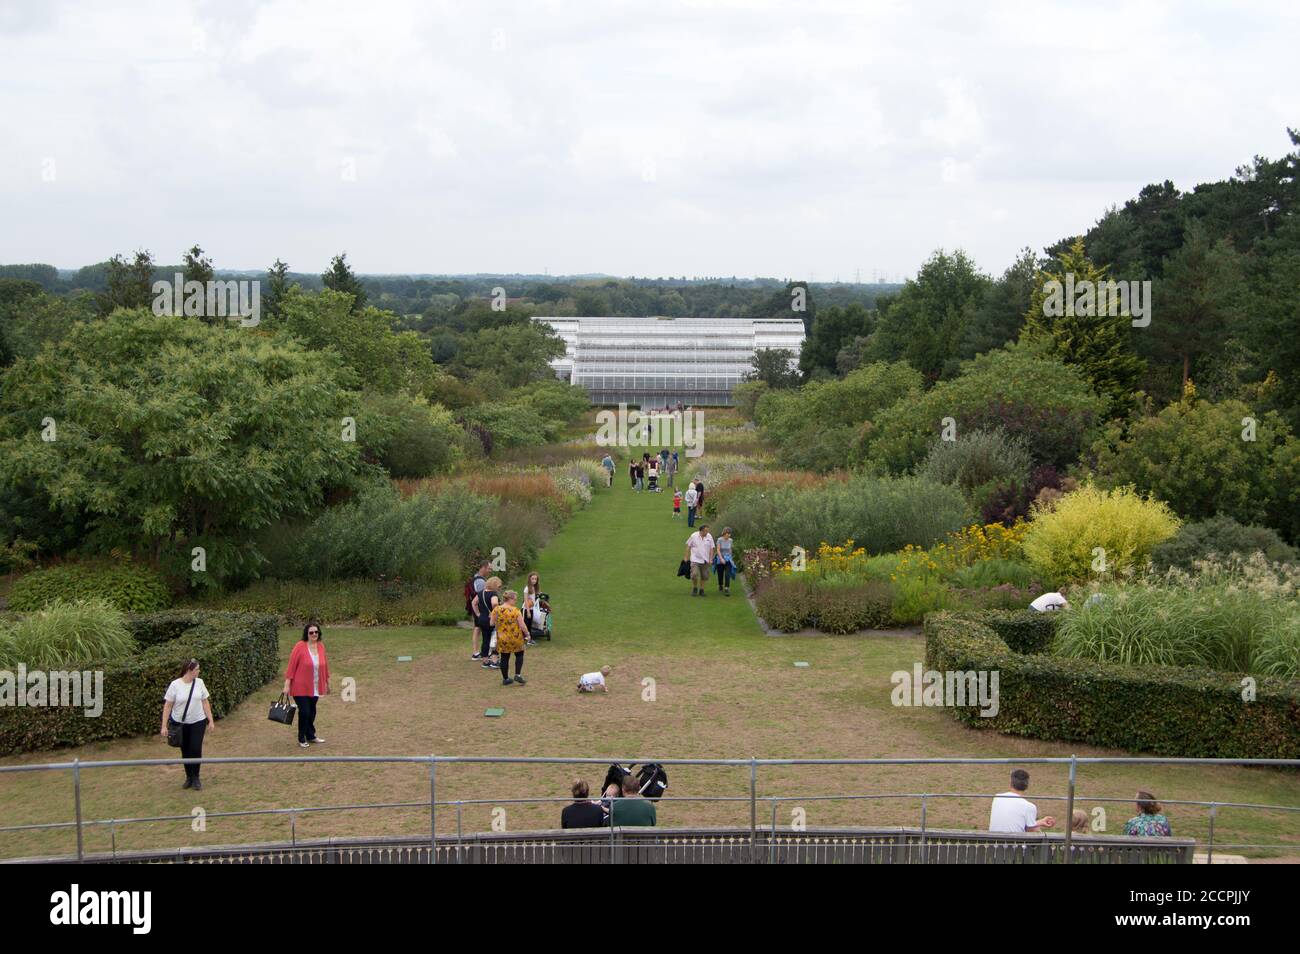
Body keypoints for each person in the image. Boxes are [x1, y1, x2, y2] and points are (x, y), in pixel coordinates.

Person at [161, 659, 214, 791]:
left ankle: (196, 777)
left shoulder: (200, 682)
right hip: (180, 724)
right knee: (185, 750)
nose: (199, 671)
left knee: (195, 749)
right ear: (189, 671)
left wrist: (210, 720)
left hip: (198, 722)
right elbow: (167, 706)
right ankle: (188, 777)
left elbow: (205, 702)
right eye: (197, 669)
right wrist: (164, 726)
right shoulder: (175, 685)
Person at [284, 622, 330, 749]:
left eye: (316, 632)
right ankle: (301, 737)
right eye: (311, 632)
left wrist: (326, 682)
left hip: (315, 686)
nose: (314, 634)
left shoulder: (321, 646)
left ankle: (311, 735)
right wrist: (287, 685)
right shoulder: (300, 646)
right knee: (304, 711)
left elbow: (325, 665)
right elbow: (291, 666)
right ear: (307, 634)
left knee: (312, 712)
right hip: (300, 686)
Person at [988, 769, 1056, 832]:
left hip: (994, 843)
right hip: (1016, 843)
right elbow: (1030, 829)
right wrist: (1040, 826)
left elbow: (1020, 825)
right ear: (1027, 786)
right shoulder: (1029, 806)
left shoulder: (997, 797)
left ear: (1010, 782)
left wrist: (1041, 822)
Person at [493, 589, 529, 686]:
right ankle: (517, 674)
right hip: (516, 637)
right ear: (510, 599)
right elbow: (522, 625)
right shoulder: (516, 611)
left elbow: (491, 622)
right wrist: (528, 634)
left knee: (504, 657)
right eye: (515, 599)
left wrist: (499, 627)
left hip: (502, 637)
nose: (515, 601)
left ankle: (505, 679)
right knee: (519, 654)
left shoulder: (497, 609)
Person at [473, 577, 503, 668]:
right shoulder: (493, 594)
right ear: (495, 585)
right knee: (495, 639)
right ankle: (494, 660)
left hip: (482, 619)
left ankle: (485, 661)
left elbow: (474, 603)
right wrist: (496, 611)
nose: (499, 588)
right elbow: (494, 603)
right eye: (498, 586)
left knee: (485, 639)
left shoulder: (480, 592)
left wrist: (478, 613)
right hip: (492, 620)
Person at [468, 560, 491, 659]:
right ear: (483, 568)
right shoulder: (481, 581)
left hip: (476, 607)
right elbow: (482, 596)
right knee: (483, 630)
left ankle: (476, 652)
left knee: (477, 628)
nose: (490, 571)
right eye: (489, 569)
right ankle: (481, 652)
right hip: (480, 609)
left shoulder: (476, 577)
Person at [685, 523, 715, 597]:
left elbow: (712, 548)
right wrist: (686, 557)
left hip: (705, 560)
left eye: (708, 531)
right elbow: (688, 546)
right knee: (694, 574)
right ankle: (695, 588)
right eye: (706, 531)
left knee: (704, 576)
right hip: (695, 559)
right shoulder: (694, 536)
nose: (707, 532)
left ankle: (702, 590)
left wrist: (710, 559)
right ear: (701, 531)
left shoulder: (709, 536)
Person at [714, 526, 736, 596]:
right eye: (728, 533)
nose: (729, 535)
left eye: (730, 534)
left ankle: (726, 588)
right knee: (720, 574)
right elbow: (718, 550)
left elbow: (730, 549)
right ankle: (720, 585)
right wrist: (721, 558)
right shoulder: (720, 540)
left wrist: (731, 558)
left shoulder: (731, 540)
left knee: (727, 574)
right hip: (720, 558)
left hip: (728, 559)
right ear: (724, 533)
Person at [522, 571, 541, 645]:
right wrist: (528, 611)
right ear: (529, 579)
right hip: (526, 609)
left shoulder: (534, 587)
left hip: (531, 608)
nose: (534, 580)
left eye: (535, 579)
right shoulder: (527, 588)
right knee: (525, 625)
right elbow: (526, 600)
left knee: (529, 625)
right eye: (532, 579)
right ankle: (525, 639)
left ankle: (529, 640)